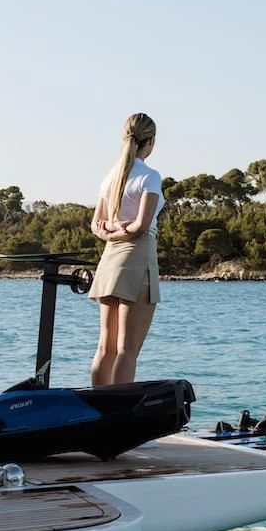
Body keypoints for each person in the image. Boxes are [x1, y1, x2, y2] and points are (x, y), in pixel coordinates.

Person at [87, 111, 163, 386]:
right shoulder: (150, 177)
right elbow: (142, 226)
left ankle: (97, 410)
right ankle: (118, 416)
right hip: (137, 256)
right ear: (150, 142)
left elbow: (96, 224)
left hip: (109, 260)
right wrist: (123, 229)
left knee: (105, 348)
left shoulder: (110, 177)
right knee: (127, 350)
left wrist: (111, 231)